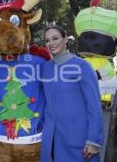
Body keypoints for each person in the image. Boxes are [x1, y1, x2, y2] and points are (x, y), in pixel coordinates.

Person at [41, 26, 104, 162]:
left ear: (65, 40)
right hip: (51, 139)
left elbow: (94, 105)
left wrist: (93, 140)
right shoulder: (46, 68)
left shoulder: (82, 66)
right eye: (47, 40)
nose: (51, 43)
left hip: (78, 140)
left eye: (55, 38)